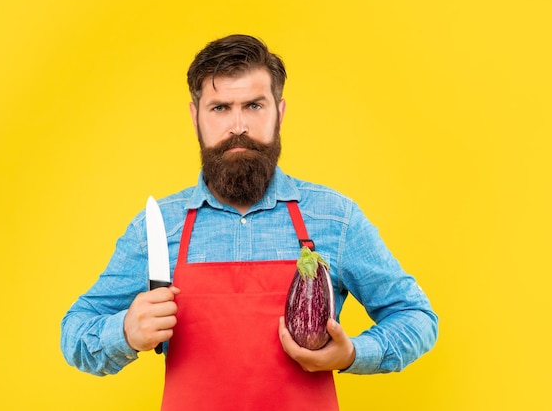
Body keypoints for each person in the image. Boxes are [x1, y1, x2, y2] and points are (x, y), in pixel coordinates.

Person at [61, 34, 438, 410]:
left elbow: (416, 317)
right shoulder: (161, 227)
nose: (237, 126)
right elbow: (75, 333)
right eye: (220, 108)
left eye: (254, 105)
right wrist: (124, 332)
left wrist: (353, 353)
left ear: (280, 111)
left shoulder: (333, 218)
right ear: (196, 117)